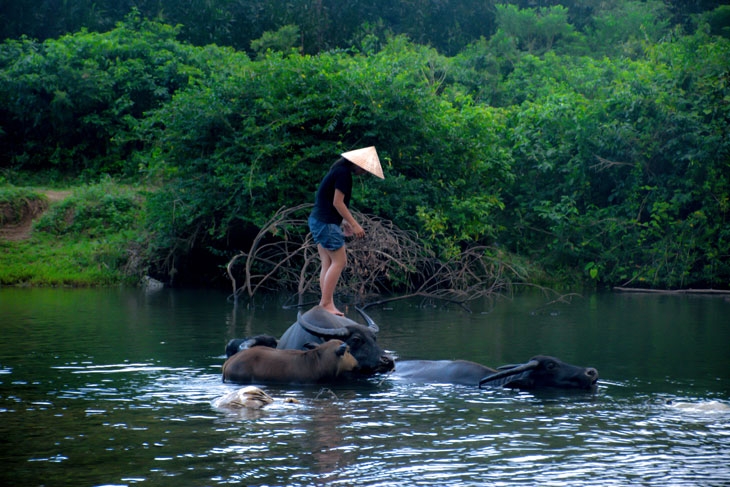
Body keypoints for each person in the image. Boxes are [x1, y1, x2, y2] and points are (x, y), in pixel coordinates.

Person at [308, 146, 384, 316]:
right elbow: (337, 202)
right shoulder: (343, 174)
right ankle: (326, 303)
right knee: (340, 261)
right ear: (358, 164)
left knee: (327, 262)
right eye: (365, 169)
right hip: (325, 223)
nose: (365, 173)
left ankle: (326, 304)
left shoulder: (338, 171)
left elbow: (329, 201)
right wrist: (355, 224)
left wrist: (343, 222)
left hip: (318, 220)